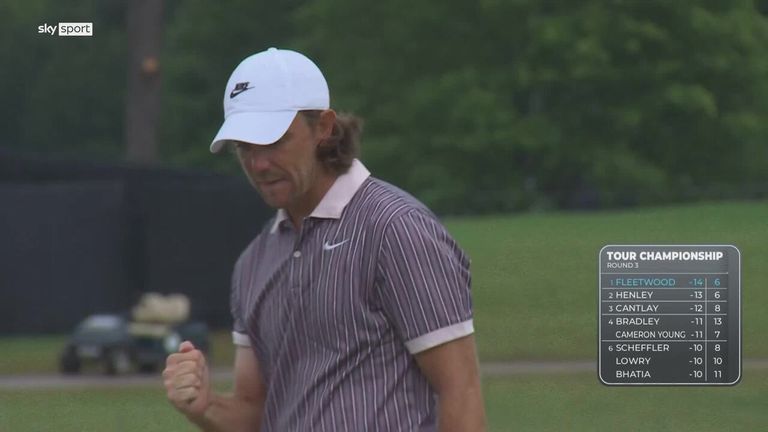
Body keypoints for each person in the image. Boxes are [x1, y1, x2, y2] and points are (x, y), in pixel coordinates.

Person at [163, 47, 486, 431]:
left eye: (274, 140)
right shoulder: (253, 261)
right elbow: (254, 411)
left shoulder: (396, 229)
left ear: (324, 127)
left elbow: (461, 391)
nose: (258, 164)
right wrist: (205, 407)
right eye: (244, 147)